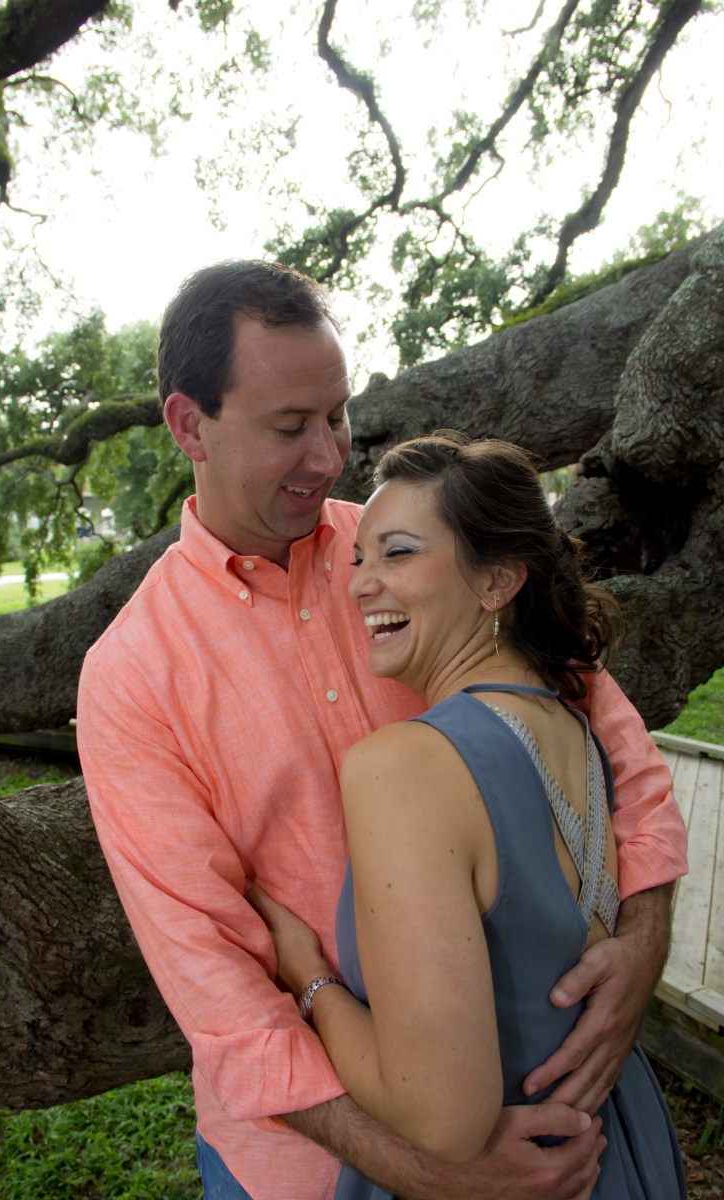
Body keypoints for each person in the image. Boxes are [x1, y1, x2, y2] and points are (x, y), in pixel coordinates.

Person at [76, 260, 687, 1200]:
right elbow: (219, 991)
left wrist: (644, 939)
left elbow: (620, 751)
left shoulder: (420, 551)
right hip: (308, 1165)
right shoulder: (131, 678)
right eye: (290, 427)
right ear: (189, 424)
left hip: (552, 1112)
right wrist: (431, 1169)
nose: (328, 456)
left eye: (337, 416)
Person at [249, 431, 687, 1200]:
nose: (360, 586)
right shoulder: (575, 731)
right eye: (361, 559)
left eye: (399, 554)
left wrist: (310, 981)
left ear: (496, 583)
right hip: (622, 1143)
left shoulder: (405, 767)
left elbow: (443, 1118)